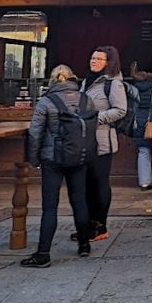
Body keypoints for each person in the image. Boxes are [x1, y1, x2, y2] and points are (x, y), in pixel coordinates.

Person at [23, 65, 92, 266]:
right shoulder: (86, 99)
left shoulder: (46, 101)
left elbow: (35, 132)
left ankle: (43, 253)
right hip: (78, 156)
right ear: (72, 78)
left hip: (52, 157)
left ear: (52, 80)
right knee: (79, 199)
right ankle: (84, 244)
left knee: (50, 206)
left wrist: (33, 158)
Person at [77, 45, 127, 242]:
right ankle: (87, 224)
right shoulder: (85, 82)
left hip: (102, 140)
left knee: (99, 183)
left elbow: (120, 110)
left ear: (109, 62)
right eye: (92, 57)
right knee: (86, 184)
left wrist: (95, 118)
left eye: (99, 59)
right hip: (83, 140)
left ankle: (100, 225)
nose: (94, 61)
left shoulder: (113, 84)